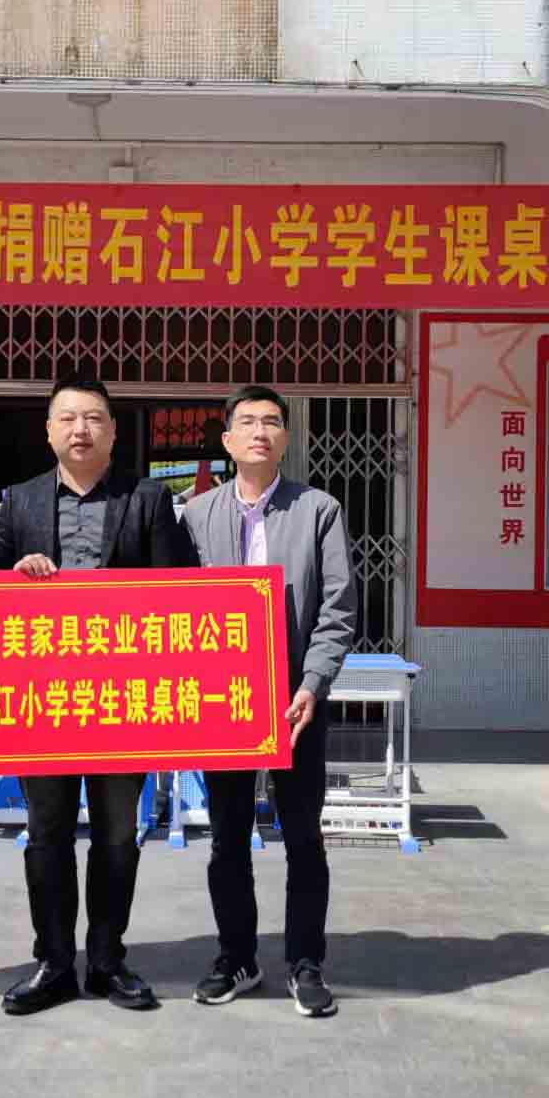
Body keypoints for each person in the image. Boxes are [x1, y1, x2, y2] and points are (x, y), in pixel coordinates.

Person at [0, 376, 197, 1015]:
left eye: (94, 419)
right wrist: (13, 576)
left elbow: (181, 593)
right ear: (48, 431)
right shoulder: (19, 501)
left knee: (115, 836)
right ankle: (53, 961)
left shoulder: (148, 500)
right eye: (68, 419)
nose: (81, 430)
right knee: (45, 833)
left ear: (112, 430)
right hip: (43, 703)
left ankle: (108, 959)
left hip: (124, 703)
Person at [183, 385, 356, 1018]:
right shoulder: (195, 516)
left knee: (303, 836)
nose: (260, 431)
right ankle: (237, 956)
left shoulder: (320, 511)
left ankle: (306, 961)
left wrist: (312, 684)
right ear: (226, 440)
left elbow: (337, 610)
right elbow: (171, 609)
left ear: (285, 439)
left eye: (273, 423)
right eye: (247, 422)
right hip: (224, 703)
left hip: (296, 700)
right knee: (227, 838)